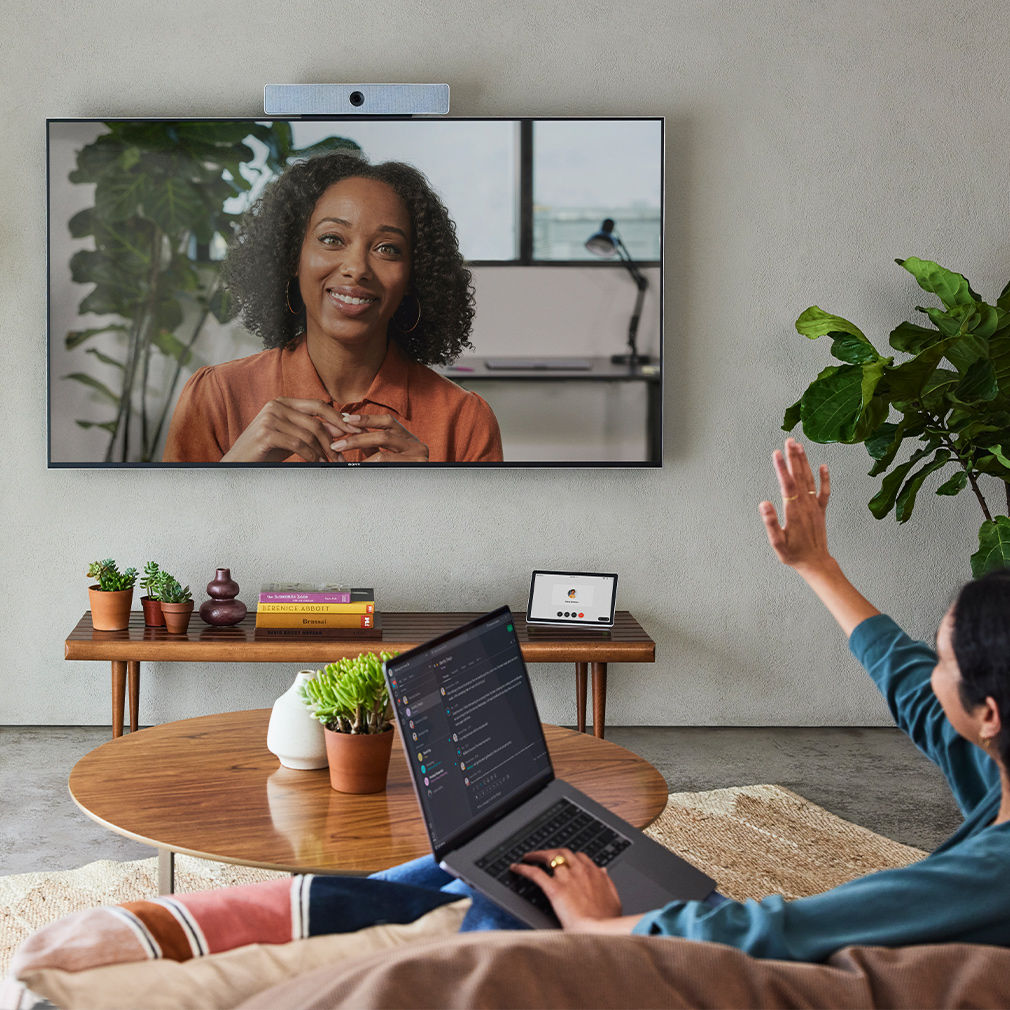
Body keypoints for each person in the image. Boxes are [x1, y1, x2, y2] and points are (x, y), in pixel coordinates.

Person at [364, 437, 1010, 961]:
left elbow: (780, 934)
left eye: (944, 659)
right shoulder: (997, 771)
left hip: (754, 980)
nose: (929, 671)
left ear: (989, 714)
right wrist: (819, 567)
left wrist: (598, 928)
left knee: (497, 902)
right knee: (484, 865)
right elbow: (913, 688)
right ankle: (333, 903)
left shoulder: (987, 876)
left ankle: (330, 917)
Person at [162, 152, 503, 463]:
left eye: (387, 248)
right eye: (332, 239)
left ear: (414, 274)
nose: (357, 268)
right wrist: (233, 472)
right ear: (292, 255)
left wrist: (430, 499)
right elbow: (173, 531)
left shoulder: (465, 420)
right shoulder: (217, 397)